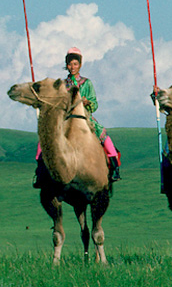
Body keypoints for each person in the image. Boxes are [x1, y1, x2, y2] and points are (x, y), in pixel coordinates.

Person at [33, 47, 121, 187]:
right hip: (65, 118)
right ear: (66, 65)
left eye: (75, 64)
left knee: (103, 134)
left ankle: (114, 166)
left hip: (84, 117)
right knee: (45, 138)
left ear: (80, 64)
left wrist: (87, 102)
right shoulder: (61, 85)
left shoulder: (87, 83)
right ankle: (40, 170)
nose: (72, 67)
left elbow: (94, 104)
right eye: (70, 64)